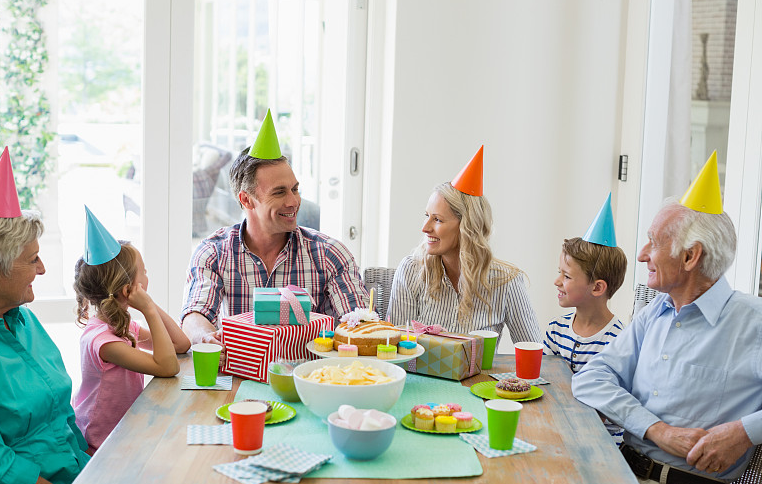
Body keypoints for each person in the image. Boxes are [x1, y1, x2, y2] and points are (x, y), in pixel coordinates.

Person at [572, 154, 762, 484]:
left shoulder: (753, 322)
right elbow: (591, 378)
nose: (642, 254)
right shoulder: (655, 312)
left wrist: (744, 432)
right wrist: (658, 430)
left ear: (691, 257)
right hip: (619, 474)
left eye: (653, 242)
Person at [0, 148, 89, 484]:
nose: (43, 269)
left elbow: (63, 417)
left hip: (75, 478)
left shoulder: (23, 317)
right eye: (32, 259)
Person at [182, 110, 368, 349]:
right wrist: (206, 337)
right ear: (247, 200)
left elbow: (358, 323)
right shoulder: (213, 253)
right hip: (241, 375)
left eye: (295, 189)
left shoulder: (330, 253)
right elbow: (195, 315)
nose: (293, 202)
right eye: (279, 192)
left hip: (310, 376)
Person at [388, 146, 541, 342]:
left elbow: (533, 351)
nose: (425, 228)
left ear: (467, 227)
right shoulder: (411, 270)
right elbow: (395, 349)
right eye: (427, 216)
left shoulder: (507, 282)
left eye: (438, 220)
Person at [72, 208, 191, 452]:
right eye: (143, 272)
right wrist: (146, 308)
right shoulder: (104, 342)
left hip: (125, 429)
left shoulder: (123, 327)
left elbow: (180, 344)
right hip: (100, 442)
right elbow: (168, 366)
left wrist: (149, 304)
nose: (148, 276)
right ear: (127, 287)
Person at [543, 194, 627, 445]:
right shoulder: (556, 330)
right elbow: (545, 384)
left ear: (597, 287)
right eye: (560, 273)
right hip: (560, 434)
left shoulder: (619, 342)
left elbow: (608, 408)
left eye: (567, 276)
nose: (557, 281)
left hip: (601, 447)